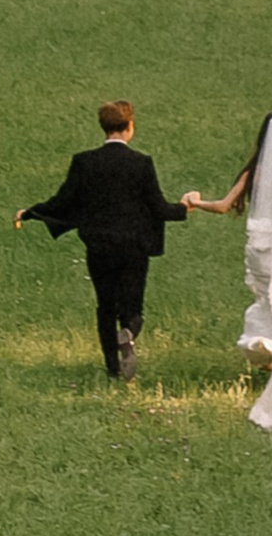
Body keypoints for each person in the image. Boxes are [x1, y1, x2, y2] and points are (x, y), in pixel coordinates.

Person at [14, 100, 187, 382]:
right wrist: (183, 208)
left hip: (99, 247)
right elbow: (158, 207)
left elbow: (63, 200)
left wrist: (31, 213)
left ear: (103, 128)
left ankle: (112, 369)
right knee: (133, 306)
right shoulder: (141, 164)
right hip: (133, 249)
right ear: (130, 127)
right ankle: (128, 333)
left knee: (105, 305)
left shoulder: (84, 162)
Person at [185, 110, 272, 427]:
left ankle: (263, 348)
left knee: (267, 300)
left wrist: (195, 201)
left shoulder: (256, 170)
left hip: (260, 249)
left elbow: (223, 206)